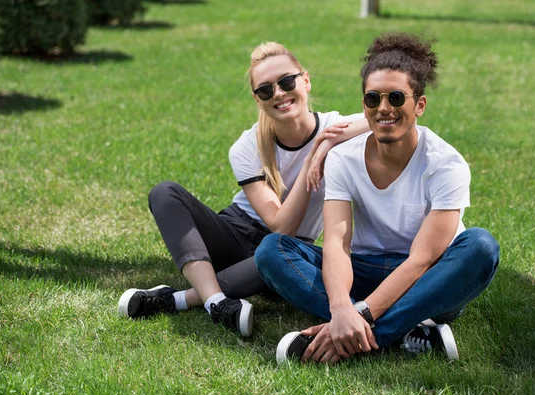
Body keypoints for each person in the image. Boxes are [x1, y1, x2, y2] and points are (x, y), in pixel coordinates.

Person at [255, 32, 500, 364]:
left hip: (430, 278)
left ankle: (351, 337)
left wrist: (361, 313)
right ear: (364, 106)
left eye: (396, 98)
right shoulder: (344, 158)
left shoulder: (446, 164)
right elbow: (337, 243)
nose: (385, 108)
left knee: (481, 247)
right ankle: (407, 331)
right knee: (272, 251)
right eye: (373, 99)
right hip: (367, 269)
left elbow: (421, 260)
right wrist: (341, 306)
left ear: (420, 105)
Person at [117, 42, 369, 337]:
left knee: (274, 255)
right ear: (258, 100)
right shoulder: (247, 146)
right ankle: (216, 302)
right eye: (266, 90)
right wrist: (311, 161)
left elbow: (380, 119)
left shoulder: (331, 127)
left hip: (283, 252)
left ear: (306, 80)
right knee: (165, 193)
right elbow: (280, 223)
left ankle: (179, 298)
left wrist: (323, 143)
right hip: (234, 235)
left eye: (287, 81)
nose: (279, 93)